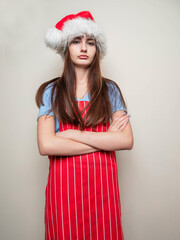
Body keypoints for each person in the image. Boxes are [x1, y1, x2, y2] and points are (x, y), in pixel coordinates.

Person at [35, 10, 134, 240]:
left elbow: (126, 140)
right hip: (64, 192)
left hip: (103, 191)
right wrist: (105, 140)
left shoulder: (110, 91)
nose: (83, 48)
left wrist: (70, 134)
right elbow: (46, 145)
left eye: (90, 42)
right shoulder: (52, 91)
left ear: (97, 49)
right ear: (66, 47)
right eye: (76, 41)